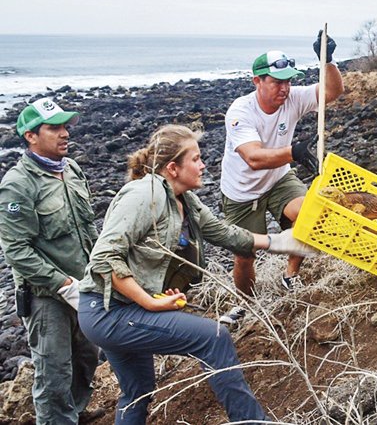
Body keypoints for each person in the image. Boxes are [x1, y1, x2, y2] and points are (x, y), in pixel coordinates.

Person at [77, 124, 312, 424]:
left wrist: (282, 242)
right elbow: (105, 258)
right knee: (213, 337)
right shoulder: (141, 195)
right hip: (106, 312)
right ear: (173, 168)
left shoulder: (185, 199)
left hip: (119, 308)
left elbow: (223, 232)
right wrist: (149, 303)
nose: (203, 165)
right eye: (196, 159)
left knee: (137, 391)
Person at [220, 30, 344, 309]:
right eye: (277, 82)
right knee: (245, 254)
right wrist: (295, 152)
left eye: (288, 81)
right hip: (242, 192)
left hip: (278, 179)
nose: (284, 89)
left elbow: (332, 91)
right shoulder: (241, 112)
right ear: (257, 81)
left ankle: (291, 274)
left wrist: (328, 61)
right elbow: (253, 158)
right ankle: (247, 303)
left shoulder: (293, 98)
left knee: (308, 215)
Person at [0, 98, 102, 424]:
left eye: (65, 126)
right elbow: (16, 251)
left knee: (87, 356)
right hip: (47, 296)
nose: (64, 133)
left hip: (83, 284)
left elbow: (87, 227)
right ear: (31, 136)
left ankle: (75, 411)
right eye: (54, 128)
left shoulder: (70, 169)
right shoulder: (18, 185)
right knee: (53, 370)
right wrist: (62, 284)